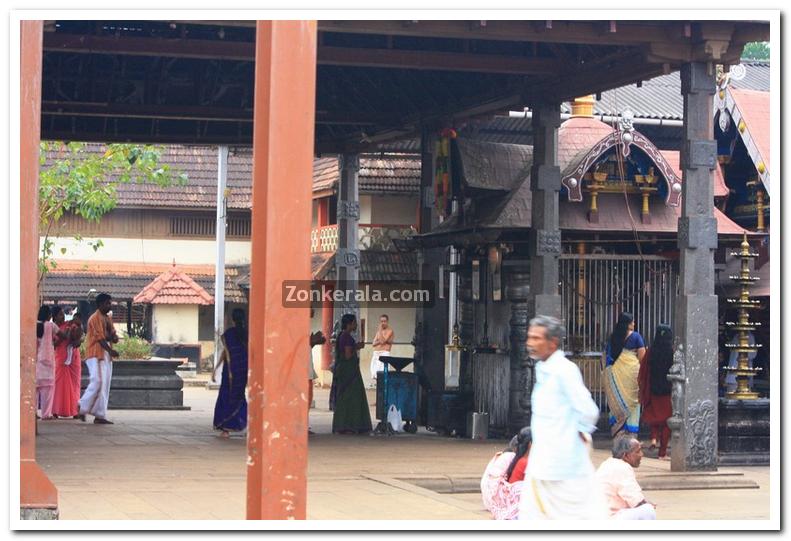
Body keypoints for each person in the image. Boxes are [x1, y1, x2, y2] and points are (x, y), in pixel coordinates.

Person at [518, 315, 607, 521]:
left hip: (566, 466)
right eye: (529, 337)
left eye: (536, 338)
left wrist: (579, 433)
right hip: (542, 462)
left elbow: (588, 410)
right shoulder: (542, 368)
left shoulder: (565, 370)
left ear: (552, 343)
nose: (530, 343)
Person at [603, 312, 646, 437]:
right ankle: (631, 438)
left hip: (615, 376)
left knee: (617, 400)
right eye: (632, 321)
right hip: (632, 377)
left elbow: (607, 357)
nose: (634, 323)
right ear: (627, 324)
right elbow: (642, 359)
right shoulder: (636, 337)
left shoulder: (612, 337)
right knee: (632, 405)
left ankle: (618, 435)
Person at [78, 293, 119, 424]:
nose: (109, 305)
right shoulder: (94, 318)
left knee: (104, 384)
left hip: (105, 354)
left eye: (110, 303)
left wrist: (114, 338)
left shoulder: (107, 318)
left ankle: (100, 415)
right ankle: (82, 406)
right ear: (100, 304)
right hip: (96, 353)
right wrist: (110, 350)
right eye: (107, 303)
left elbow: (112, 335)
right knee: (98, 381)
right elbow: (100, 338)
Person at [595, 437, 657, 520]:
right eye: (638, 451)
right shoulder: (622, 467)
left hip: (599, 516)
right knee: (648, 510)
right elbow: (635, 500)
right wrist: (646, 504)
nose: (642, 454)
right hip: (608, 518)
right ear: (626, 456)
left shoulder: (608, 463)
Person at [331, 314, 372, 435]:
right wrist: (356, 347)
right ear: (349, 324)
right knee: (350, 398)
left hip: (346, 371)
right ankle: (348, 424)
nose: (355, 325)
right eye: (354, 323)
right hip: (348, 372)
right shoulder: (346, 337)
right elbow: (348, 355)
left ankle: (346, 424)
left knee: (346, 397)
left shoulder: (341, 336)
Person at [638, 324, 673, 460]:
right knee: (666, 422)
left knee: (654, 415)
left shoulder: (650, 352)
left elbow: (643, 371)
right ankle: (662, 453)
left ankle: (653, 438)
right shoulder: (672, 353)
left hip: (653, 389)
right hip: (667, 391)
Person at [212, 308, 249, 438]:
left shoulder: (229, 334)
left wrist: (216, 369)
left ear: (233, 319)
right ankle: (243, 424)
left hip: (230, 372)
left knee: (225, 397)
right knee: (239, 397)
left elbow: (226, 354)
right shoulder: (246, 334)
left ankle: (225, 429)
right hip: (242, 371)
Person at [481, 427, 531, 520]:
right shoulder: (522, 461)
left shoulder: (516, 459)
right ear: (530, 444)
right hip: (503, 500)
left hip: (496, 500)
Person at [53, 310, 83, 419]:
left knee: (75, 384)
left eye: (63, 315)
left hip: (73, 358)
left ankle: (75, 410)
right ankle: (55, 410)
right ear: (54, 317)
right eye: (60, 315)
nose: (63, 317)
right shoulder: (53, 327)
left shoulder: (70, 325)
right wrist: (66, 333)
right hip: (60, 358)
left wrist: (78, 329)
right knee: (59, 384)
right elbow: (55, 343)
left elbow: (78, 336)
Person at [36, 305, 61, 420]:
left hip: (36, 361)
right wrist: (54, 344)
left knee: (34, 389)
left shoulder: (35, 325)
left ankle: (33, 412)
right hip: (48, 361)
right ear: (48, 315)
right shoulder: (51, 325)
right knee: (48, 390)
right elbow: (63, 335)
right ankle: (46, 414)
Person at [308, 307, 326, 435]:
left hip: (307, 365)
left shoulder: (305, 324)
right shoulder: (299, 325)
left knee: (309, 396)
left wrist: (316, 341)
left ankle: (304, 424)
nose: (313, 310)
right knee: (306, 396)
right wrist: (315, 339)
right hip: (302, 367)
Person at [370, 314, 394, 387]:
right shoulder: (378, 332)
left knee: (383, 373)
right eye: (381, 321)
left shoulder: (390, 331)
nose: (383, 323)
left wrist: (380, 332)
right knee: (375, 374)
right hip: (376, 354)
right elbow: (373, 343)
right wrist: (379, 341)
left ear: (387, 322)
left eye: (384, 321)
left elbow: (383, 341)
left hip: (384, 353)